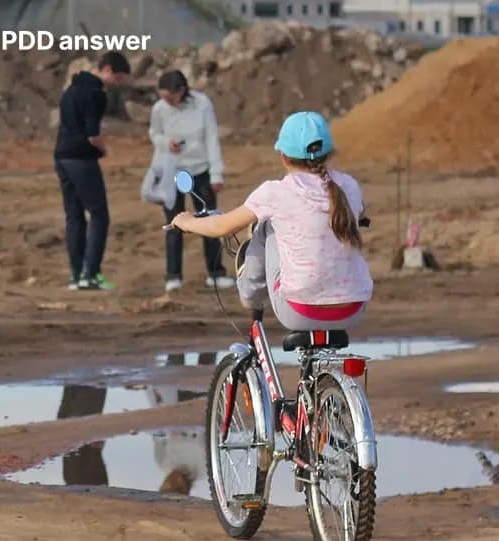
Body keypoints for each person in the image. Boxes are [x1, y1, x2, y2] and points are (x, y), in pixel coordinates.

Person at [170, 111, 373, 332]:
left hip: (298, 311)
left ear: (283, 157)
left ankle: (251, 296)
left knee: (268, 227)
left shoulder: (274, 193)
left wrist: (187, 221)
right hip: (353, 309)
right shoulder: (350, 186)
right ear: (329, 153)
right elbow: (360, 213)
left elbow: (221, 227)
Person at [149, 70, 233, 293]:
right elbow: (154, 134)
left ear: (181, 91)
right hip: (173, 171)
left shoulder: (202, 104)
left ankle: (215, 273)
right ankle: (173, 275)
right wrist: (166, 142)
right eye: (163, 97)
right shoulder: (159, 109)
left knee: (209, 221)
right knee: (173, 223)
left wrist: (217, 173)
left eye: (169, 97)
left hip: (201, 170)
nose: (166, 101)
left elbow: (212, 137)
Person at [54, 51, 130, 291]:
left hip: (61, 156)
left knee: (74, 216)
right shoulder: (96, 93)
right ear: (106, 70)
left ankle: (76, 275)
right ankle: (91, 273)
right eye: (117, 78)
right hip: (82, 160)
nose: (117, 84)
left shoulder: (71, 89)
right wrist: (104, 149)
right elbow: (92, 134)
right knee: (99, 215)